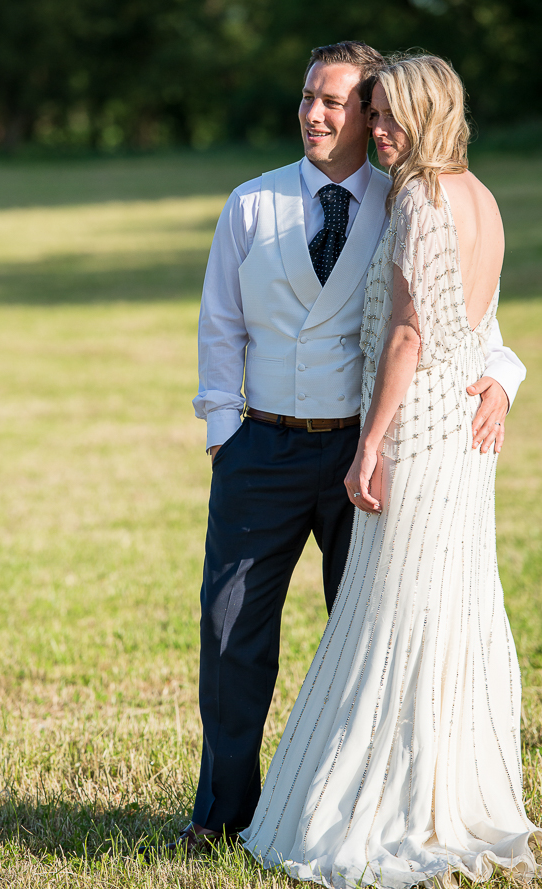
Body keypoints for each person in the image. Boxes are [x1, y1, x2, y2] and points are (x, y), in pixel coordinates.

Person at [165, 42, 525, 854]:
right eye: (306, 98)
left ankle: (361, 808)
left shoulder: (408, 199)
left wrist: (505, 375)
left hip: (371, 458)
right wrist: (226, 432)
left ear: (372, 115)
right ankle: (221, 810)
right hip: (262, 450)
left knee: (370, 633)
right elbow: (219, 324)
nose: (314, 114)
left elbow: (464, 318)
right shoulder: (251, 205)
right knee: (229, 634)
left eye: (336, 102)